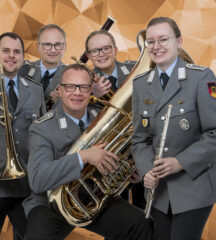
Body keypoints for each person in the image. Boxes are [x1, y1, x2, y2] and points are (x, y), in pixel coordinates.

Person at [23, 63, 154, 240]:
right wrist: (83, 156)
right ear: (60, 90)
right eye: (70, 87)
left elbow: (115, 158)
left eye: (83, 87)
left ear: (91, 90)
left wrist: (127, 172)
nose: (77, 93)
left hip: (94, 198)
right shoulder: (42, 128)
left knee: (142, 224)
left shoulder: (104, 117)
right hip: (49, 203)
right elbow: (38, 180)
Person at [131, 16, 216, 240]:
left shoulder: (201, 77)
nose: (156, 46)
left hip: (193, 187)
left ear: (179, 42)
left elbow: (214, 133)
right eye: (150, 41)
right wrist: (146, 170)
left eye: (163, 39)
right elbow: (140, 139)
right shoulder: (140, 84)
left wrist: (181, 162)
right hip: (159, 192)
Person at [0, 32, 46, 240]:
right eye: (6, 50)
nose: (11, 56)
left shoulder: (35, 90)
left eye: (17, 52)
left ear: (23, 57)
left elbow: (42, 131)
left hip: (25, 182)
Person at [86, 29, 145, 209]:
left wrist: (143, 164)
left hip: (141, 153)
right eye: (95, 51)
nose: (101, 54)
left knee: (148, 218)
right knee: (115, 219)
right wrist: (91, 94)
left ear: (115, 50)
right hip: (109, 157)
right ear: (88, 55)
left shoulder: (137, 70)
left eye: (106, 48)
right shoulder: (82, 80)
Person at [21, 24, 67, 108]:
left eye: (58, 45)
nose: (53, 50)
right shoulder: (22, 70)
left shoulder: (73, 75)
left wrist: (66, 104)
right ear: (38, 46)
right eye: (47, 44)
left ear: (65, 47)